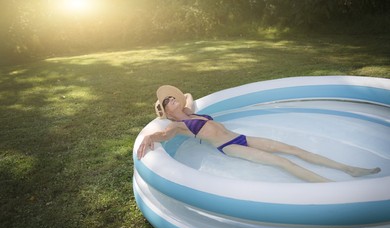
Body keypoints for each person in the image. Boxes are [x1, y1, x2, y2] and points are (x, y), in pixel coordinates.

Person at [137, 85, 381, 182]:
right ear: (167, 112)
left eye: (172, 97)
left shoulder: (189, 111)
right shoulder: (178, 125)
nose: (172, 99)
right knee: (282, 161)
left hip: (241, 136)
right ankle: (331, 186)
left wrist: (179, 102)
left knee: (292, 149)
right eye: (167, 101)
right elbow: (165, 135)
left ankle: (349, 169)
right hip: (230, 147)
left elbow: (188, 96)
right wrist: (150, 136)